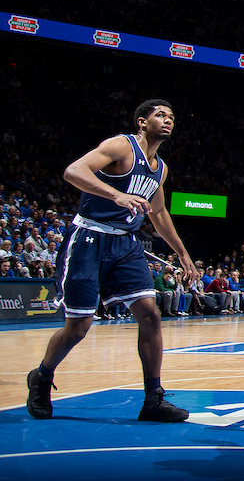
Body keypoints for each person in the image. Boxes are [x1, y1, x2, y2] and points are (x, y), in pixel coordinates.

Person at [26, 99, 199, 422]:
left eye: (172, 117)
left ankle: (153, 399)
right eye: (160, 115)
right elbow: (73, 171)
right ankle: (42, 377)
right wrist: (115, 194)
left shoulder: (159, 168)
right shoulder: (120, 146)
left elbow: (158, 213)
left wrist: (183, 255)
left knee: (150, 315)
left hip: (126, 244)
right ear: (141, 122)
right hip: (89, 238)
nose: (168, 120)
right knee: (78, 327)